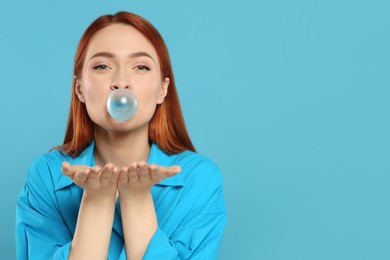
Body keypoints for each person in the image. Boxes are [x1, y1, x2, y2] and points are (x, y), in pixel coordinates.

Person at [16, 11, 227, 260]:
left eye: (140, 67)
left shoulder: (198, 179)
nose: (121, 82)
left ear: (162, 90)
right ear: (80, 89)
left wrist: (137, 199)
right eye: (102, 66)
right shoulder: (47, 176)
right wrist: (96, 201)